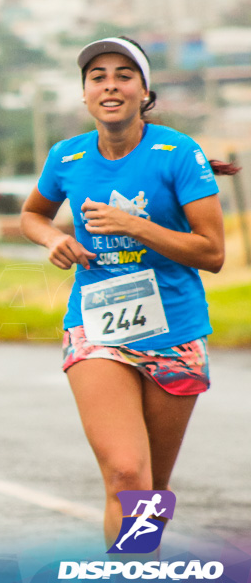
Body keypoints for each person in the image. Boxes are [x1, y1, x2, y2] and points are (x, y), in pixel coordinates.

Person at [20, 36, 235, 551]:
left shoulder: (179, 153)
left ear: (144, 92)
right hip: (95, 326)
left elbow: (212, 252)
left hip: (174, 330)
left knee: (149, 492)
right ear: (85, 94)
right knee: (124, 472)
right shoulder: (66, 156)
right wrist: (55, 238)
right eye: (98, 76)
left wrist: (133, 226)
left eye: (123, 75)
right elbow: (32, 215)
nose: (110, 85)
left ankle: (138, 570)